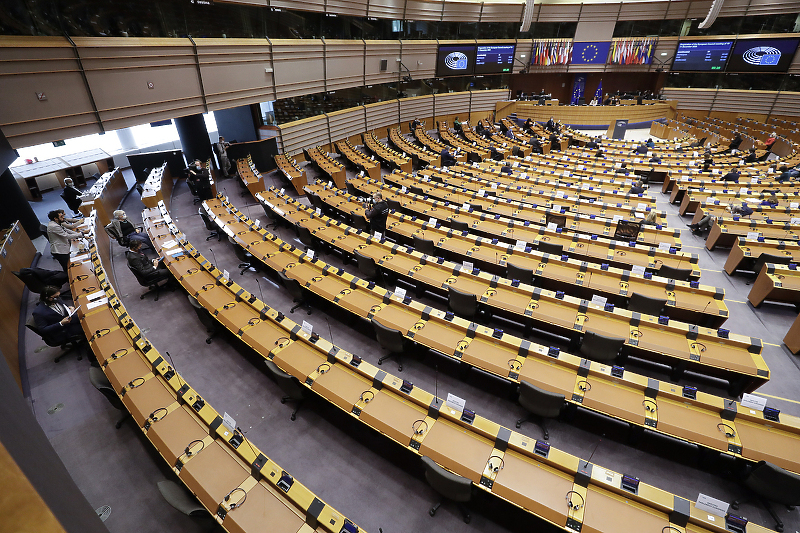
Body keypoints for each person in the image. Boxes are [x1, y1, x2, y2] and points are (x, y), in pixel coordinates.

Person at [32, 286, 86, 350]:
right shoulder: (39, 312)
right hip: (61, 330)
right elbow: (43, 330)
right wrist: (61, 323)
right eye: (56, 297)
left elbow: (63, 306)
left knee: (86, 316)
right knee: (86, 327)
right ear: (47, 298)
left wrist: (69, 308)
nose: (58, 298)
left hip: (68, 320)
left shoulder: (56, 299)